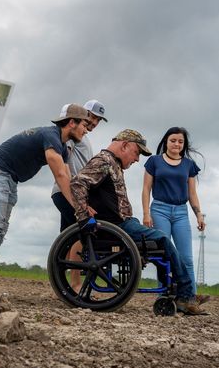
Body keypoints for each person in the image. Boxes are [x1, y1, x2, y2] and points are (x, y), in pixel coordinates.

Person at [70, 129, 207, 315]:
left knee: (159, 246)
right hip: (117, 227)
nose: (136, 159)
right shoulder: (104, 161)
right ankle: (185, 293)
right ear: (125, 145)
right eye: (136, 153)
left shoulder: (113, 163)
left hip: (123, 223)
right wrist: (84, 214)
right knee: (163, 240)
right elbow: (78, 183)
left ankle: (182, 292)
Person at [0, 104, 91, 282]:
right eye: (84, 125)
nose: (86, 130)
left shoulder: (62, 148)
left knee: (0, 231)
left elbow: (68, 177)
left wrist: (81, 204)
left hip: (10, 178)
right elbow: (60, 175)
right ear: (72, 122)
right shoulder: (51, 136)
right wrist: (79, 208)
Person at [141, 127, 209, 304]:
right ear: (166, 141)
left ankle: (190, 297)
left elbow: (192, 194)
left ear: (183, 144)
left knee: (186, 257)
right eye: (173, 140)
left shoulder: (188, 165)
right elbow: (146, 189)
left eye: (180, 141)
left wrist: (199, 214)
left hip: (181, 212)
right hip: (159, 210)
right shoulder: (154, 162)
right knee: (164, 255)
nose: (176, 144)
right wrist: (146, 213)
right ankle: (164, 296)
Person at [51, 99, 107, 292]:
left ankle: (61, 284)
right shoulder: (76, 137)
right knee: (80, 236)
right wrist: (75, 194)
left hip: (72, 192)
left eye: (98, 120)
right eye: (91, 117)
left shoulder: (85, 138)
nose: (93, 123)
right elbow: (64, 158)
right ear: (83, 114)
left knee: (65, 239)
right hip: (68, 192)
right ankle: (74, 283)